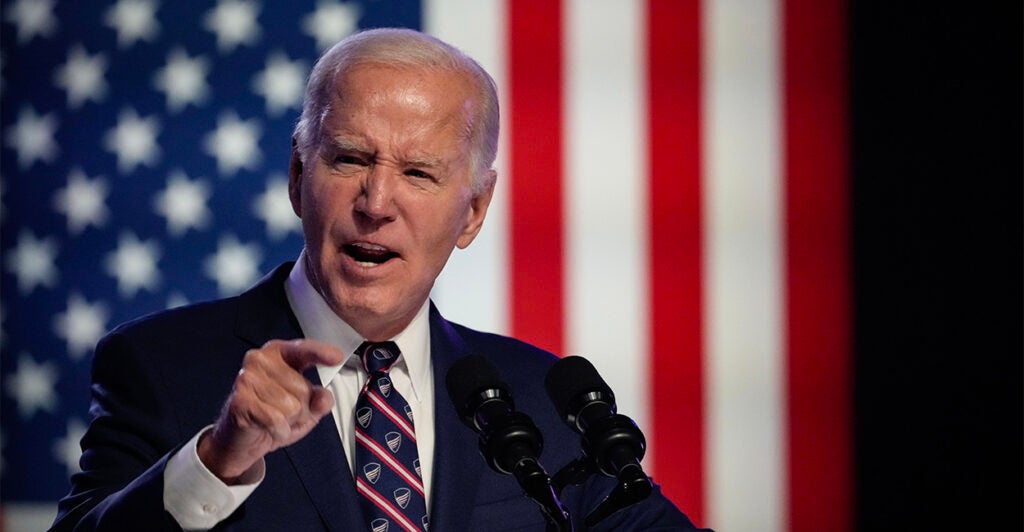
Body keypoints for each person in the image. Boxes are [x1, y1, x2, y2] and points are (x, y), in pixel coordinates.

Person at [51, 28, 707, 531]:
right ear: (296, 177)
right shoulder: (160, 365)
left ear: (473, 211)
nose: (376, 202)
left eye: (419, 173)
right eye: (350, 159)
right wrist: (218, 460)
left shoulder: (541, 403)